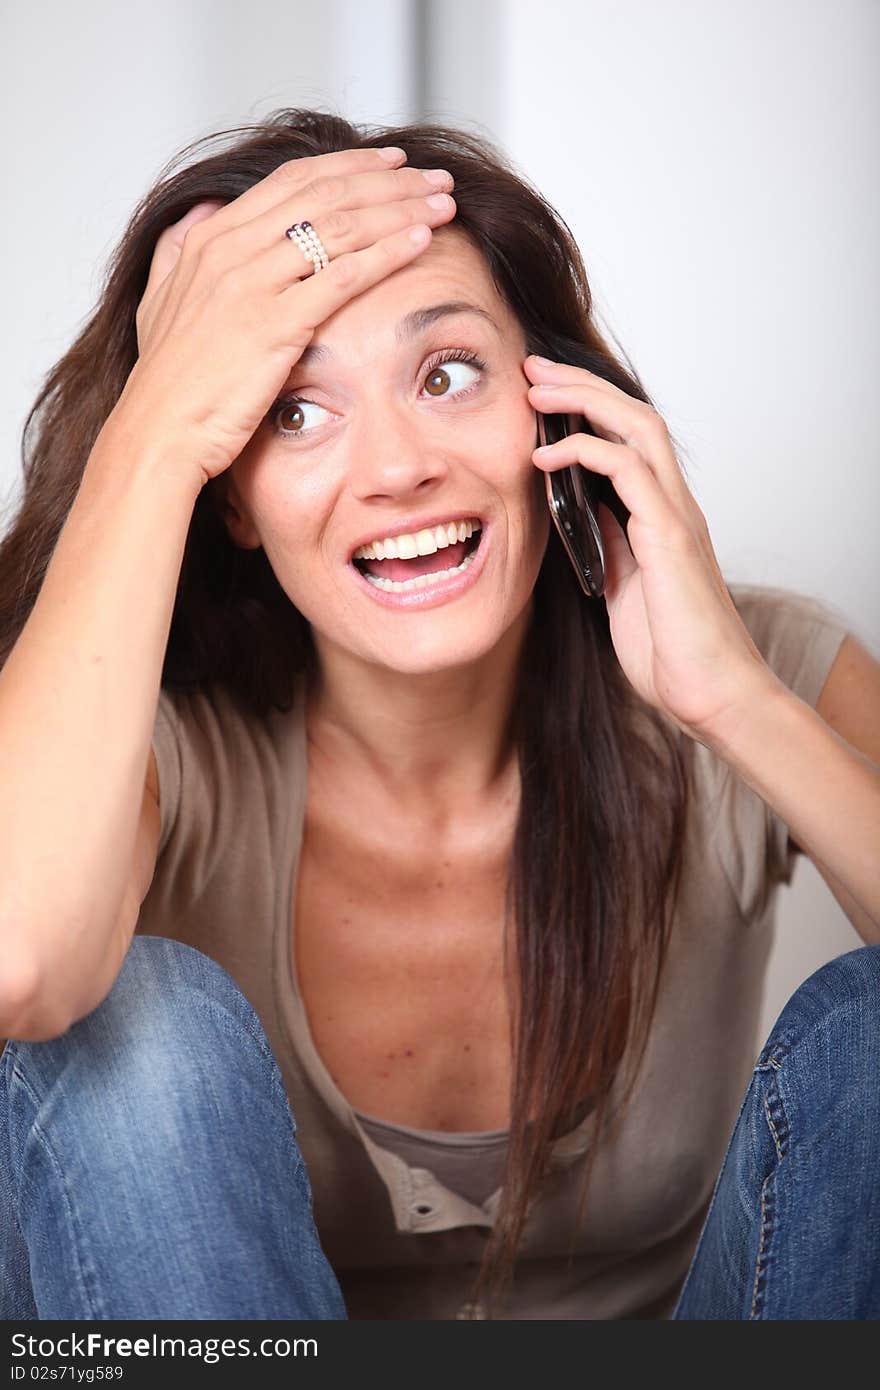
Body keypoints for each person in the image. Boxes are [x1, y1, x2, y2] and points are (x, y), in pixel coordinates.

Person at [0, 107, 878, 1323]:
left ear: (551, 414)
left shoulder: (754, 665)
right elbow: (17, 959)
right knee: (129, 1029)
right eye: (293, 412)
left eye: (446, 372)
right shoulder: (153, 755)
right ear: (232, 495)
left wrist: (728, 697)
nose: (396, 466)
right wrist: (153, 429)